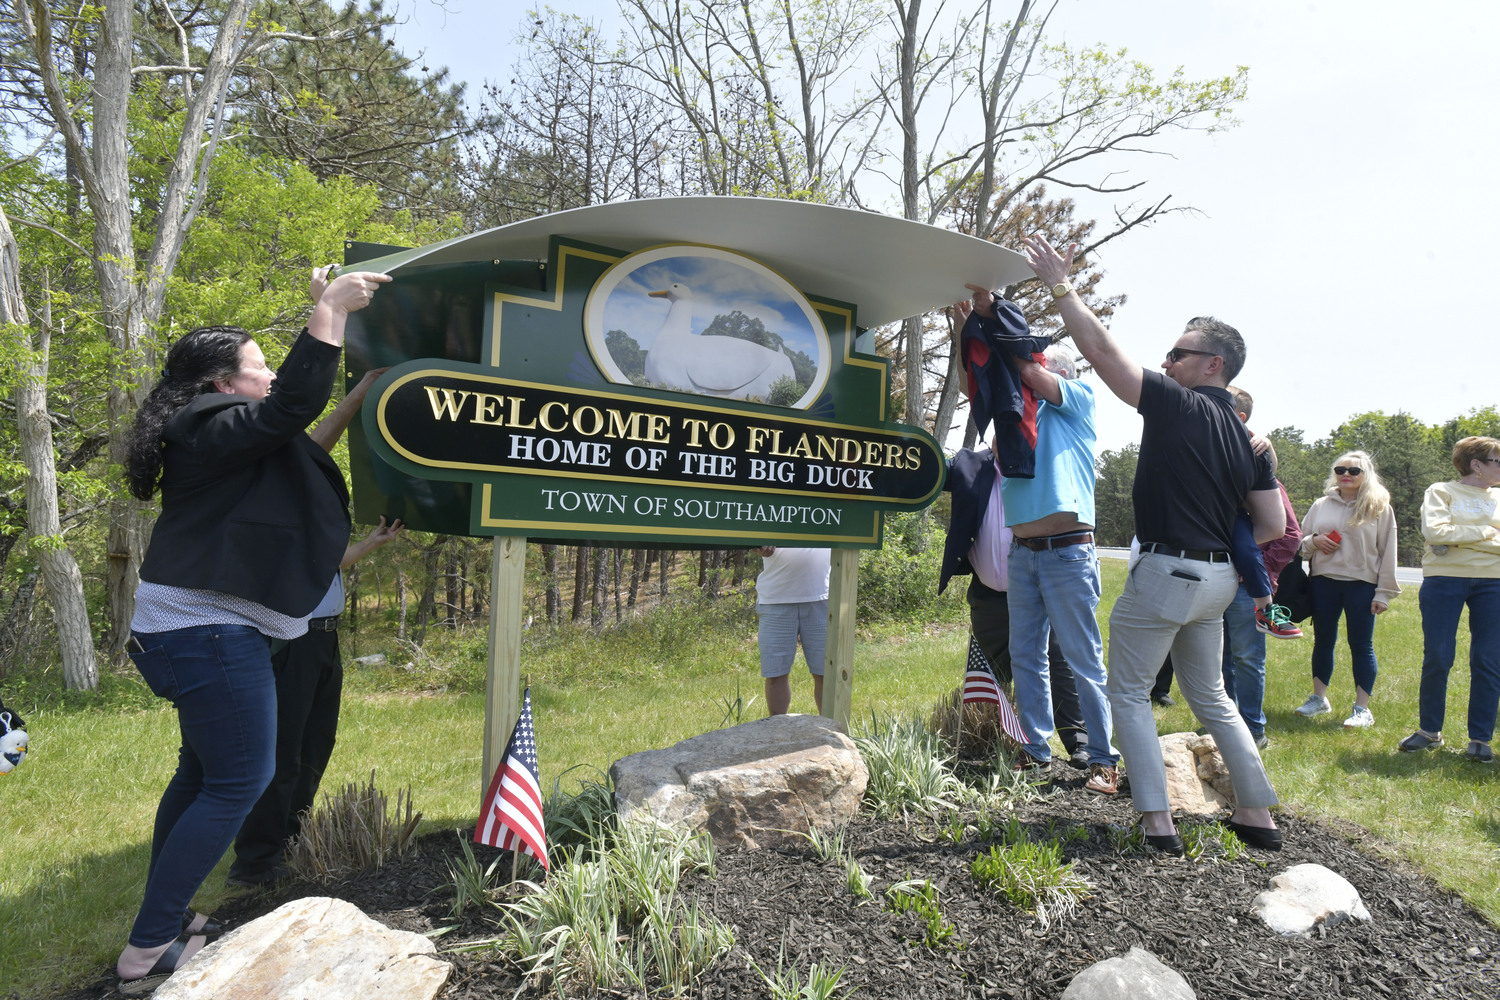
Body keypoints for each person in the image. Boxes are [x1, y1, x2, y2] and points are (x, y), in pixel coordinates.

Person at [115, 266, 388, 994]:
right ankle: (147, 950)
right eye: (258, 366)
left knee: (202, 776)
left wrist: (320, 316)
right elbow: (294, 404)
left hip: (191, 630)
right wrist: (327, 312)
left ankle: (165, 924)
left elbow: (295, 425)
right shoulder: (201, 421)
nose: (269, 376)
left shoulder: (218, 435)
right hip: (206, 632)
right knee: (241, 780)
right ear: (220, 382)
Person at [1022, 233, 1285, 855]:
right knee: (1214, 698)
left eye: (1177, 352)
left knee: (1129, 693)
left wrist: (1062, 285)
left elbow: (1100, 351)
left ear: (1212, 365)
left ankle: (1157, 821)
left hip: (1168, 575)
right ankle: (1256, 813)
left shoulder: (1180, 406)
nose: (1165, 363)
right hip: (1218, 584)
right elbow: (1272, 525)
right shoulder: (1248, 439)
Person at [228, 361, 402, 889]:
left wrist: (366, 547)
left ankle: (291, 840)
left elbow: (322, 564)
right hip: (290, 637)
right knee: (282, 750)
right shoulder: (255, 481)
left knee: (314, 743)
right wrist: (357, 396)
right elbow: (317, 440)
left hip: (325, 638)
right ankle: (256, 861)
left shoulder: (295, 497)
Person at [953, 297, 1120, 793]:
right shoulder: (1014, 419)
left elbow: (1026, 369)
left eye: (1044, 368)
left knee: (1082, 657)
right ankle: (1035, 749)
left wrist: (991, 322)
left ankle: (1102, 756)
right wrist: (968, 331)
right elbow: (985, 382)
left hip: (1068, 550)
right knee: (1028, 655)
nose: (1029, 376)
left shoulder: (1078, 403)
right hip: (1022, 552)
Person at [938, 445, 1090, 768]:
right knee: (989, 673)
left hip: (1038, 590)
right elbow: (930, 472)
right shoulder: (970, 465)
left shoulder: (1044, 463)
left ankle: (1078, 740)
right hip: (989, 595)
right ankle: (992, 743)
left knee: (1054, 662)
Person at [1398, 436, 1500, 761]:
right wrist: (1487, 533)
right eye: (1498, 460)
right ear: (1477, 465)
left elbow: (1447, 536)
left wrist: (1459, 539)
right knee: (1438, 656)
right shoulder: (1440, 491)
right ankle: (1429, 732)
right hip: (1444, 580)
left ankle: (1481, 739)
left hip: (1494, 583)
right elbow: (1436, 533)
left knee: (1487, 659)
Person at [1218, 387, 1303, 750]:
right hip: (1214, 577)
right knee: (1220, 660)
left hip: (1245, 585)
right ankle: (1226, 727)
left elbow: (1289, 536)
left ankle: (1253, 729)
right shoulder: (1218, 458)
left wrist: (1253, 569)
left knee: (1247, 658)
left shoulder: (1257, 464)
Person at [1292, 450, 1399, 728]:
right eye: (1341, 470)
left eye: (1354, 471)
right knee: (1323, 641)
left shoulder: (1379, 507)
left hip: (1362, 585)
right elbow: (1299, 543)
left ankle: (1362, 709)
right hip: (1324, 582)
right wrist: (1315, 541)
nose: (1346, 475)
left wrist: (1384, 593)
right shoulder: (1321, 504)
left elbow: (1388, 552)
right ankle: (1318, 700)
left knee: (1361, 645)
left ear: (1366, 475)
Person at [756, 546, 830, 714]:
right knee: (776, 675)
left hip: (822, 598)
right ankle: (777, 733)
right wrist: (757, 544)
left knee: (826, 675)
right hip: (775, 600)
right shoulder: (771, 517)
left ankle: (832, 733)